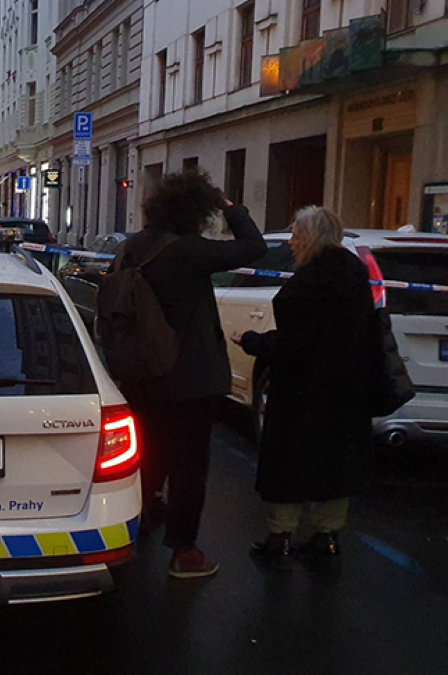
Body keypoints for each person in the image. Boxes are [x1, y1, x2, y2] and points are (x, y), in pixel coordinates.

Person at [116, 170, 267, 579]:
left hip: (141, 372)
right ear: (196, 210)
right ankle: (184, 552)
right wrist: (231, 209)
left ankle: (140, 520)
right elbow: (255, 248)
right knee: (189, 467)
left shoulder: (132, 248)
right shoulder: (189, 252)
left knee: (147, 453)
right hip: (190, 379)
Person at [234, 206, 376, 563]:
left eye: (297, 235)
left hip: (300, 389)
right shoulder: (355, 274)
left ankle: (279, 537)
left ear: (311, 239)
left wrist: (252, 340)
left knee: (287, 463)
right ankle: (326, 538)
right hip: (345, 389)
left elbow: (296, 342)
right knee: (335, 463)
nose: (292, 243)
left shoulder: (308, 283)